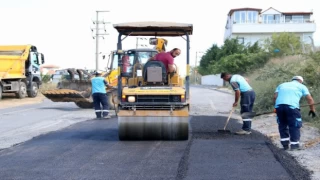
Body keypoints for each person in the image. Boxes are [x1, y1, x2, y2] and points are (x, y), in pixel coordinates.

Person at [274, 76, 316, 151]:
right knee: (294, 125)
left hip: (279, 106)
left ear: (292, 80)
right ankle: (294, 145)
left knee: (282, 124)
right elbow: (309, 99)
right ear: (300, 81)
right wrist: (312, 109)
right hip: (292, 107)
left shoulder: (282, 85)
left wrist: (276, 107)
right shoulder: (302, 86)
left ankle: (285, 145)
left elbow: (275, 97)